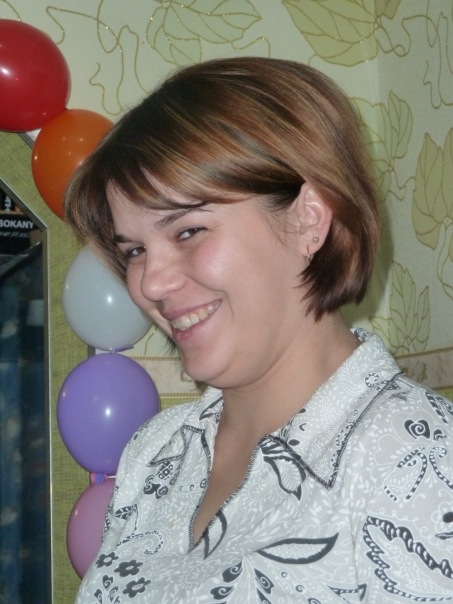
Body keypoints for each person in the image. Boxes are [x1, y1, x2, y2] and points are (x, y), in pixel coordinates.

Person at [65, 57, 453, 603]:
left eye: (188, 231)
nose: (149, 283)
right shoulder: (154, 452)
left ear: (308, 219)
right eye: (134, 251)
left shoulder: (422, 461)